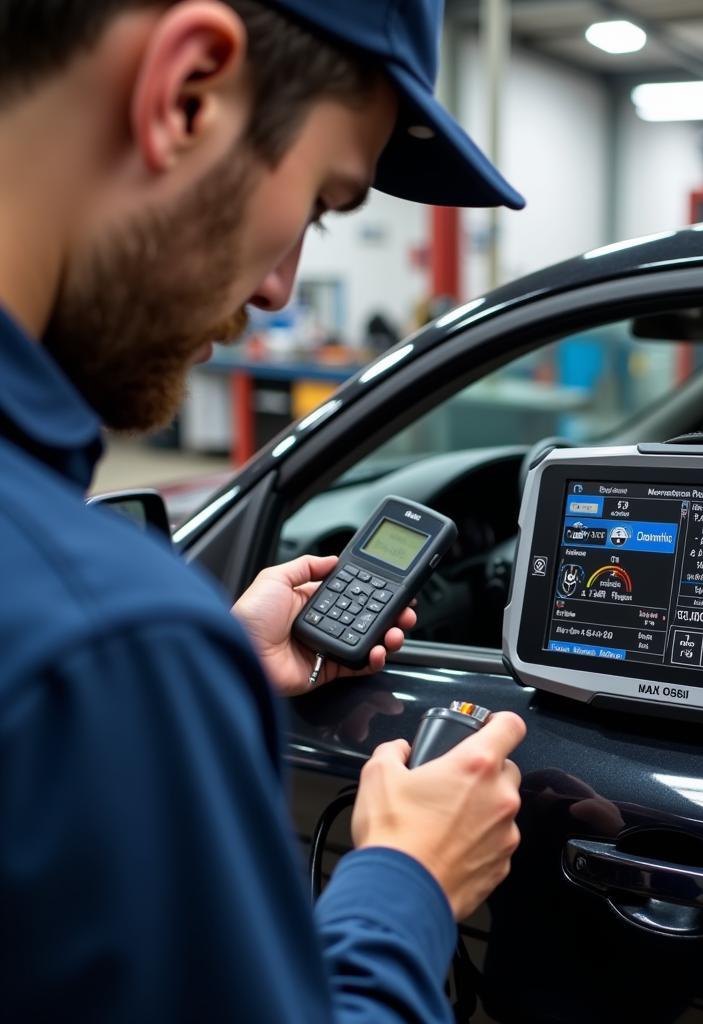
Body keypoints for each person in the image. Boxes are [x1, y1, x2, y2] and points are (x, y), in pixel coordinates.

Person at [0, 1, 527, 1021]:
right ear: (189, 91)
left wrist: (207, 670)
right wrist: (409, 880)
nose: (282, 291)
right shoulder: (106, 646)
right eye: (325, 200)